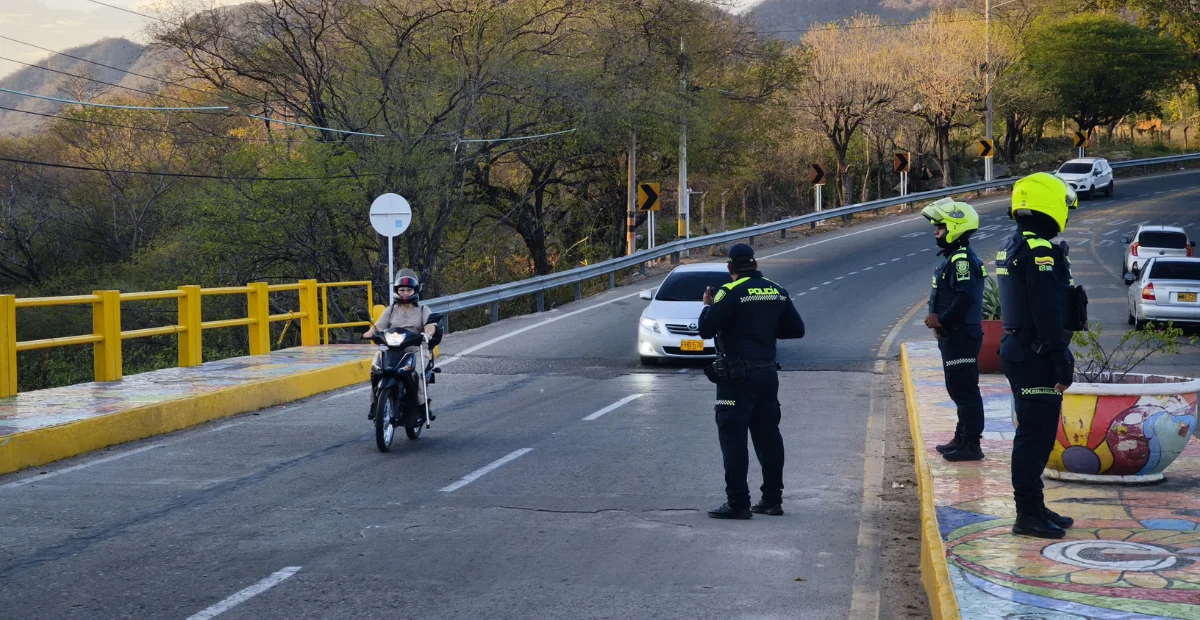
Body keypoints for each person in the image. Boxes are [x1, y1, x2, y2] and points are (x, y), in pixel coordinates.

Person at [995, 172, 1081, 539]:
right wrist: (1060, 355)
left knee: (1036, 434)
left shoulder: (1014, 244)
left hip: (1020, 349)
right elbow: (1045, 309)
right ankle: (1027, 514)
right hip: (1037, 354)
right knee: (1035, 437)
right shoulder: (1041, 251)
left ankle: (1035, 505)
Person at [698, 243, 805, 520]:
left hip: (736, 377)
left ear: (730, 268)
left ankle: (738, 502)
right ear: (755, 265)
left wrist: (707, 307)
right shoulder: (776, 289)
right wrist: (764, 330)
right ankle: (772, 499)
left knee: (733, 438)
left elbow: (705, 330)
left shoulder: (728, 291)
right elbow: (796, 329)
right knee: (768, 437)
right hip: (768, 373)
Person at [921, 198, 987, 462]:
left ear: (956, 228)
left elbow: (965, 298)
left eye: (941, 227)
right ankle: (961, 436)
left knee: (965, 389)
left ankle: (972, 444)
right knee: (957, 387)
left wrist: (942, 321)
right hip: (954, 335)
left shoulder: (961, 261)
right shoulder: (953, 257)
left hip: (961, 334)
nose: (936, 232)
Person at [364, 269, 439, 422]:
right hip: (392, 349)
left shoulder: (423, 309)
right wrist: (370, 332)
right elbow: (378, 326)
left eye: (408, 289)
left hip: (415, 349)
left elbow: (431, 324)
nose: (405, 293)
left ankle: (421, 406)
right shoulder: (390, 310)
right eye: (402, 290)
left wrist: (427, 334)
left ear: (415, 290)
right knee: (375, 370)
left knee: (416, 373)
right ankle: (374, 404)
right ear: (397, 291)